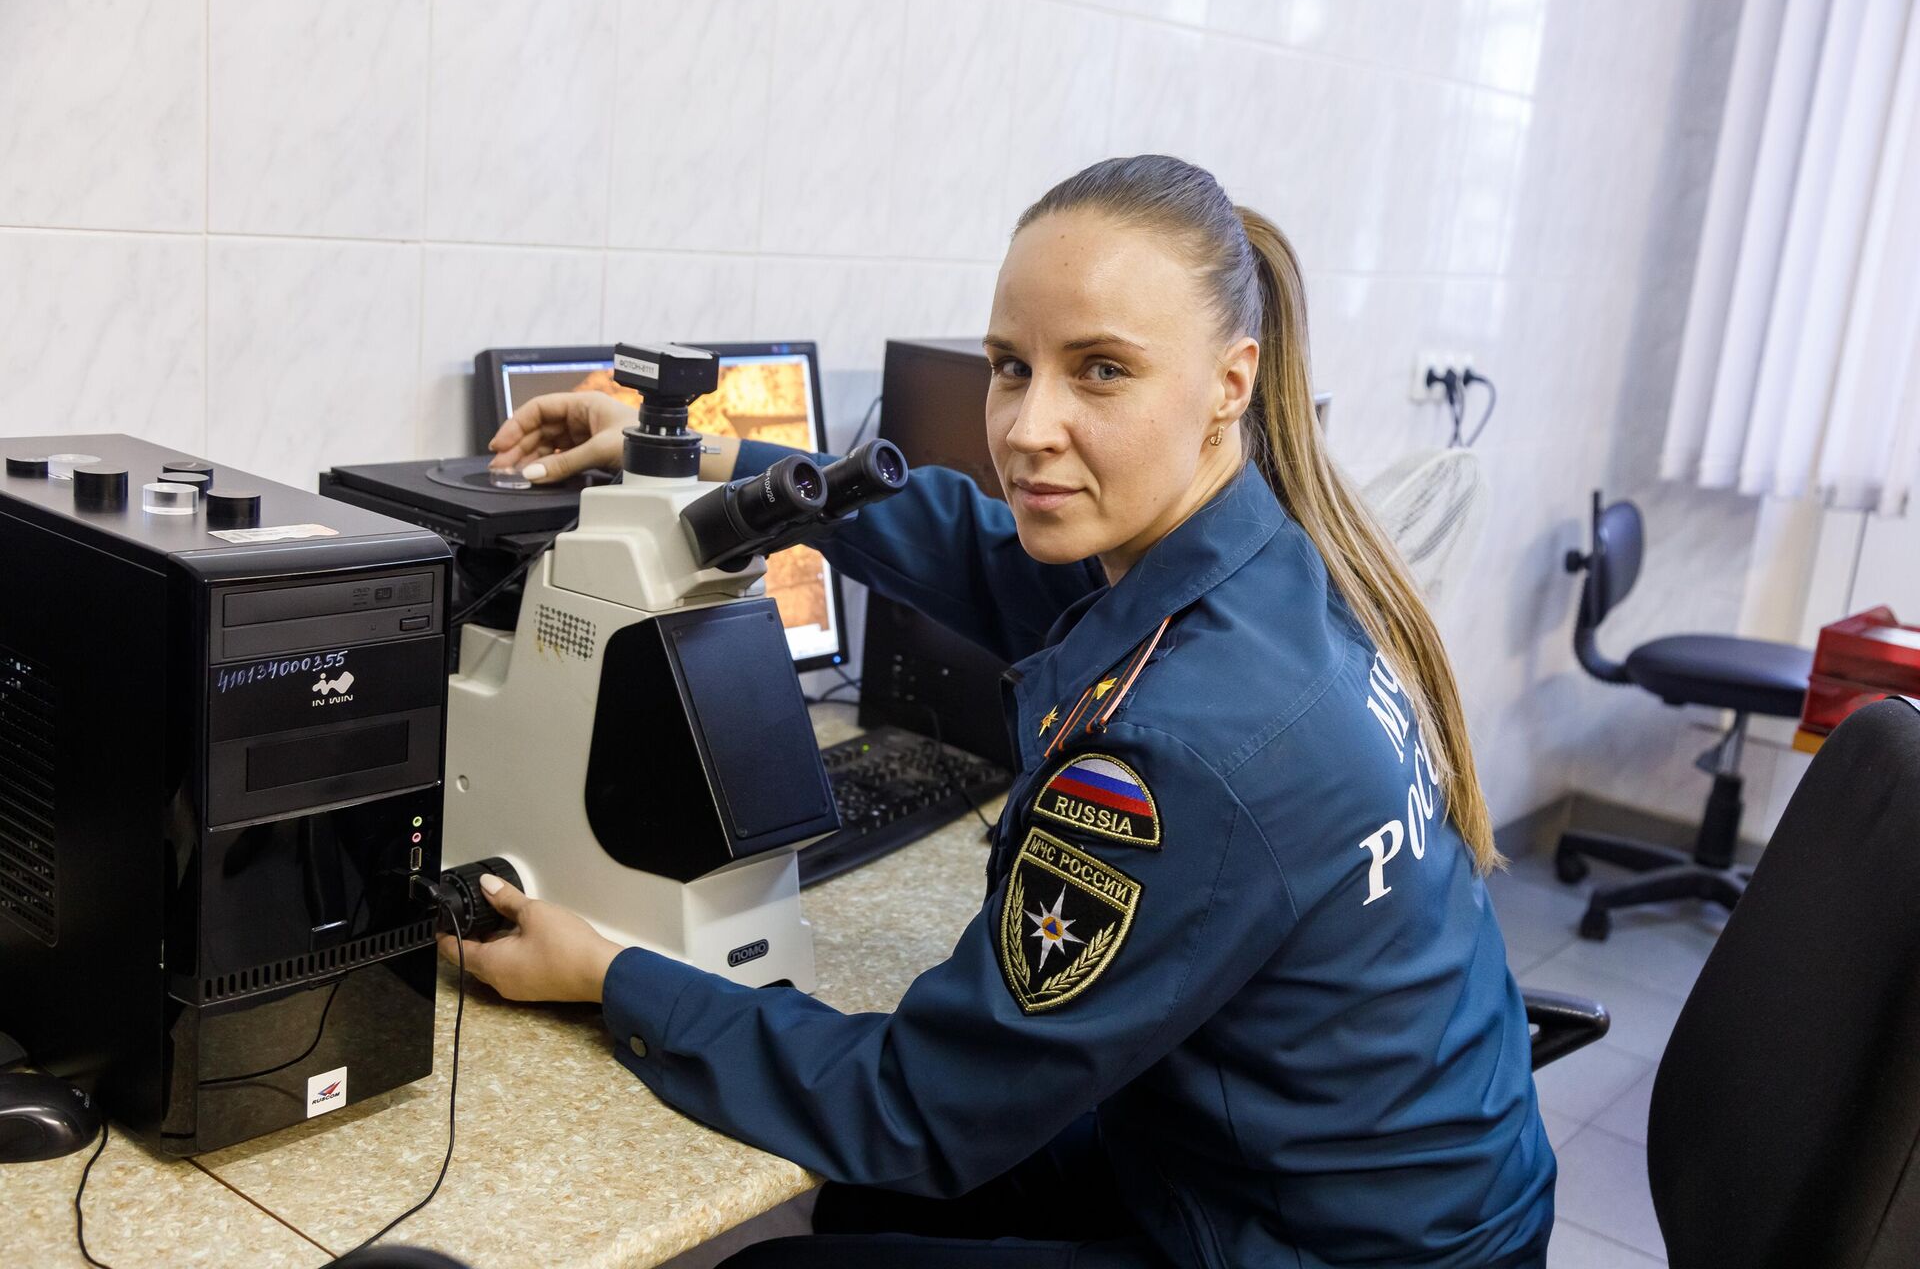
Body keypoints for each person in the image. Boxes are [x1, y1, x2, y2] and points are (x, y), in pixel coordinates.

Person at [452, 155, 1555, 1268]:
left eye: (1103, 371)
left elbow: (916, 1111)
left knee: (784, 1257)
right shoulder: (1265, 559)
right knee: (859, 1208)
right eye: (1009, 365)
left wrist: (607, 974)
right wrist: (716, 463)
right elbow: (984, 552)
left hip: (1319, 1245)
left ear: (1232, 381)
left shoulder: (1183, 745)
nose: (1030, 426)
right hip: (1325, 1170)